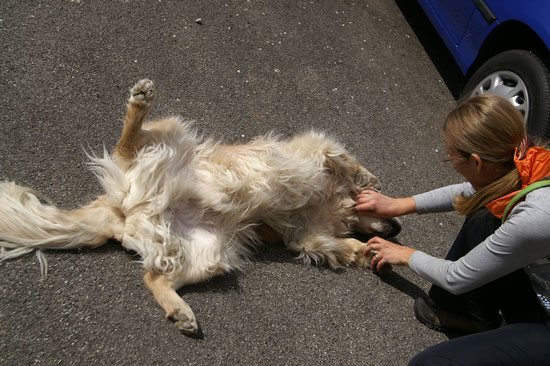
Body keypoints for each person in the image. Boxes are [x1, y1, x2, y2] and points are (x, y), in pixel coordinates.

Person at [355, 94, 550, 365]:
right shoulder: (528, 160)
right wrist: (397, 206)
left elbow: (457, 277)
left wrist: (405, 254)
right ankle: (469, 315)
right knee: (485, 213)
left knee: (429, 363)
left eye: (451, 158)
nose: (452, 165)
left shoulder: (537, 215)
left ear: (476, 161)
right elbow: (478, 190)